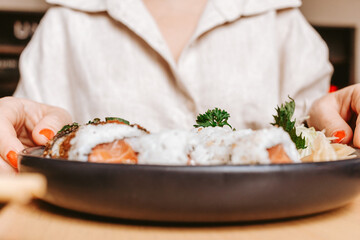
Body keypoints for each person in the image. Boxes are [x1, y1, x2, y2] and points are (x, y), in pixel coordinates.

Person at [0, 0, 350, 173]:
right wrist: (14, 136)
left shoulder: (281, 19)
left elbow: (314, 153)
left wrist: (336, 119)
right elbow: (23, 161)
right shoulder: (66, 21)